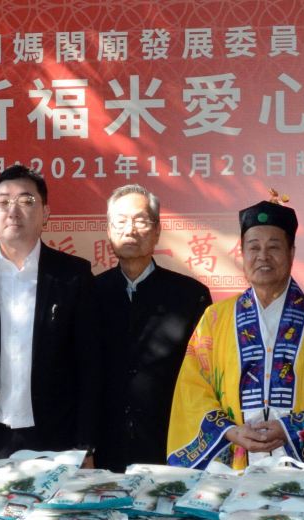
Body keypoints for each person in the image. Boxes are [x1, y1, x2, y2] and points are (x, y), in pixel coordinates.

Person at [166, 198, 304, 469]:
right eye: (253, 247)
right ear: (242, 253)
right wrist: (230, 431)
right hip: (234, 464)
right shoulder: (215, 319)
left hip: (301, 469)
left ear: (292, 253)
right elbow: (192, 388)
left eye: (274, 247)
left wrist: (290, 428)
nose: (263, 256)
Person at [0, 164, 99, 456]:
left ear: (45, 213)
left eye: (26, 200)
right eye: (3, 202)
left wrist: (85, 446)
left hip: (56, 440)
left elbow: (89, 367)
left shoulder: (73, 275)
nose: (13, 211)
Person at [89, 184, 212, 471]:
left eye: (140, 221)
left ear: (157, 231)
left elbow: (204, 378)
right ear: (108, 231)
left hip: (172, 445)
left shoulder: (190, 295)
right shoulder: (89, 293)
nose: (129, 230)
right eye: (120, 221)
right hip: (105, 448)